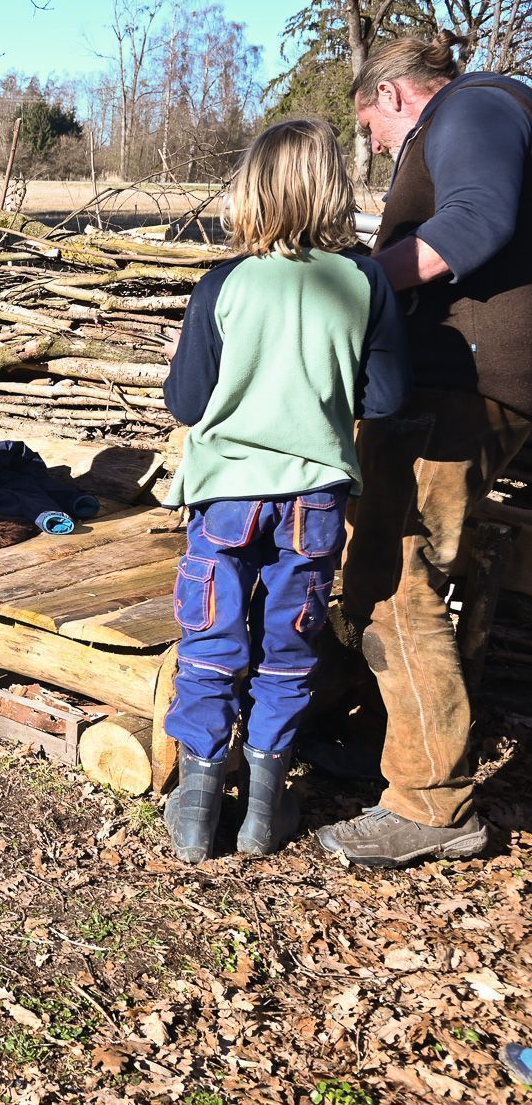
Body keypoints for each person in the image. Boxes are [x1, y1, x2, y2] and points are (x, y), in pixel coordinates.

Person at [158, 120, 410, 864]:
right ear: (334, 186)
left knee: (212, 636)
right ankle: (264, 807)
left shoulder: (225, 283)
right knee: (288, 643)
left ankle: (199, 804)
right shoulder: (364, 282)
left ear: (252, 188)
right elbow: (388, 398)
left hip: (227, 493)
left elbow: (187, 401)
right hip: (315, 498)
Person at [312, 31, 532, 867]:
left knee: (395, 576)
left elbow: (475, 221)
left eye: (371, 129)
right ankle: (396, 749)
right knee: (412, 568)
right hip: (465, 384)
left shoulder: (471, 107)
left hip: (460, 385)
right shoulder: (497, 108)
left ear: (395, 97)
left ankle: (431, 804)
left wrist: (353, 284)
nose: (374, 145)